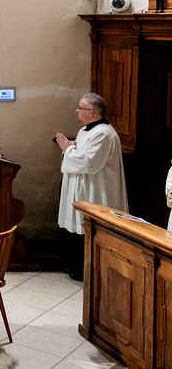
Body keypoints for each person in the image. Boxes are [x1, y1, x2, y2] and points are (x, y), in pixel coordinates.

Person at [55, 92, 128, 280]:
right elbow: (80, 154)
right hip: (82, 187)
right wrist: (72, 147)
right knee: (76, 229)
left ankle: (85, 270)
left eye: (81, 108)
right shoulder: (86, 130)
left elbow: (88, 162)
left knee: (87, 229)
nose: (77, 111)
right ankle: (74, 266)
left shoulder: (103, 133)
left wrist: (68, 148)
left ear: (92, 112)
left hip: (94, 190)